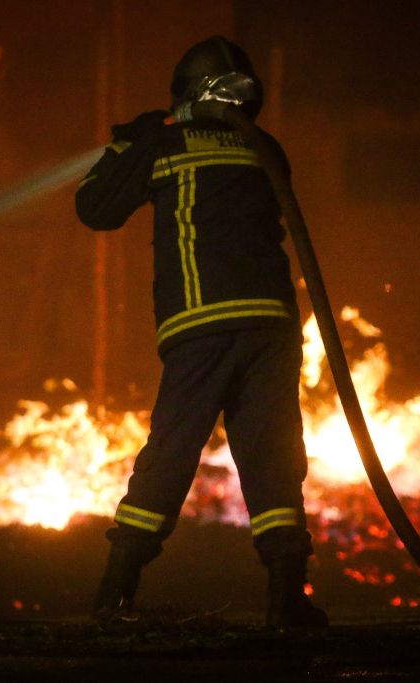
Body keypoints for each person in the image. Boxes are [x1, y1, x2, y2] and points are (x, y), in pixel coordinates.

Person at [75, 36, 327, 630]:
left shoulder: (162, 142)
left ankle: (116, 590)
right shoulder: (263, 146)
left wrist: (125, 143)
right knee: (273, 457)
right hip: (271, 323)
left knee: (170, 453)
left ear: (186, 94)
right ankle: (286, 596)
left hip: (202, 322)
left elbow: (95, 209)